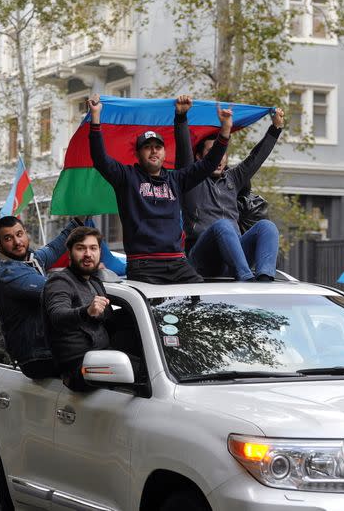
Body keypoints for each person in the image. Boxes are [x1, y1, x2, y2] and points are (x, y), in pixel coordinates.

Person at [88, 94, 233, 284]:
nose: (154, 150)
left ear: (164, 153)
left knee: (199, 300)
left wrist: (225, 129)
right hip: (143, 264)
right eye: (147, 147)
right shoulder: (126, 177)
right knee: (151, 311)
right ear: (138, 154)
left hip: (177, 263)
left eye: (158, 147)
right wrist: (96, 117)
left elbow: (208, 164)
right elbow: (100, 159)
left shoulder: (176, 178)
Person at [174, 95, 283, 281]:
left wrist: (276, 128)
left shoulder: (233, 177)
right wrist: (181, 117)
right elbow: (184, 150)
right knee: (223, 225)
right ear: (200, 157)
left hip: (233, 257)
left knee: (267, 227)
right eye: (212, 153)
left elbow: (255, 158)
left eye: (222, 153)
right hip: (203, 257)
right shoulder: (190, 177)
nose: (219, 158)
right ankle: (246, 280)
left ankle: (265, 280)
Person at [0, 215, 85, 379]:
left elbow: (54, 248)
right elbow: (55, 289)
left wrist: (78, 223)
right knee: (95, 364)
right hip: (36, 356)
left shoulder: (30, 259)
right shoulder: (8, 273)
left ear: (25, 233)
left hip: (50, 348)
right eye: (8, 238)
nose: (17, 242)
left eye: (19, 234)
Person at [43, 227, 111, 391]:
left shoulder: (95, 282)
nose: (88, 254)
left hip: (103, 358)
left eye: (93, 248)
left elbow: (111, 320)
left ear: (99, 252)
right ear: (70, 253)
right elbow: (57, 315)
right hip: (80, 369)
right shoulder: (60, 281)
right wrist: (86, 311)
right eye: (81, 248)